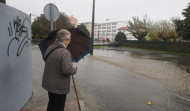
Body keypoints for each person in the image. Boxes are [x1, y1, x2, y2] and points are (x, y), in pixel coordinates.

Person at [42, 29, 77, 111]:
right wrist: (74, 70)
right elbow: (67, 70)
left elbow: (46, 59)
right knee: (59, 107)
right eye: (69, 39)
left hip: (49, 84)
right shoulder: (65, 53)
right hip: (59, 87)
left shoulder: (50, 48)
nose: (70, 42)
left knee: (51, 103)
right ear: (64, 40)